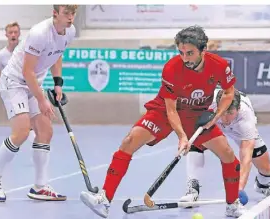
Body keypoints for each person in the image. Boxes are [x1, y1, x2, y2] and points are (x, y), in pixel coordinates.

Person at [80, 25, 246, 218]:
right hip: (165, 110)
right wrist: (182, 136)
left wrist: (215, 117)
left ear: (203, 50)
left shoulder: (218, 65)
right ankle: (104, 200)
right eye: (181, 53)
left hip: (197, 113)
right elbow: (170, 109)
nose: (185, 58)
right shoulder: (172, 68)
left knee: (227, 154)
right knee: (129, 141)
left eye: (190, 53)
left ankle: (232, 205)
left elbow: (228, 92)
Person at [0, 5, 78, 202]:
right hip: (15, 82)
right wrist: (42, 100)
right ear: (55, 14)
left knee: (45, 131)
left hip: (34, 82)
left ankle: (40, 187)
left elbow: (57, 54)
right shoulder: (39, 34)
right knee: (22, 132)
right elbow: (27, 72)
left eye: (73, 13)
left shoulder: (70, 31)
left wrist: (58, 83)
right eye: (66, 13)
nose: (70, 18)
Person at [180, 89, 270, 205]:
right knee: (196, 142)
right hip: (214, 122)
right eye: (224, 112)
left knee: (266, 169)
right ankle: (193, 189)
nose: (225, 118)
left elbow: (246, 158)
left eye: (230, 113)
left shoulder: (246, 120)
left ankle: (262, 184)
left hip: (238, 129)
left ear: (238, 109)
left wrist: (238, 189)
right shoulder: (207, 103)